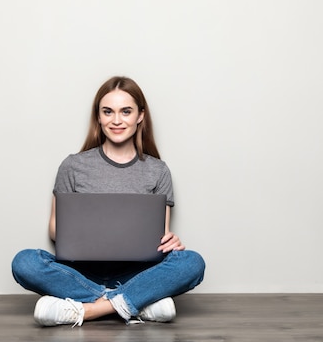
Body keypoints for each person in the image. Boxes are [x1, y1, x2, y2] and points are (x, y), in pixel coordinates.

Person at [11, 76, 205, 327]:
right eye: (108, 112)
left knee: (192, 262)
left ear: (140, 116)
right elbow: (54, 230)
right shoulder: (73, 165)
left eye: (126, 111)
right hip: (80, 271)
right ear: (99, 117)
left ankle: (87, 310)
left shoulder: (158, 171)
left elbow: (160, 235)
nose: (116, 120)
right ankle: (137, 303)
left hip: (137, 271)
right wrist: (80, 230)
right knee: (25, 262)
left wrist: (171, 241)